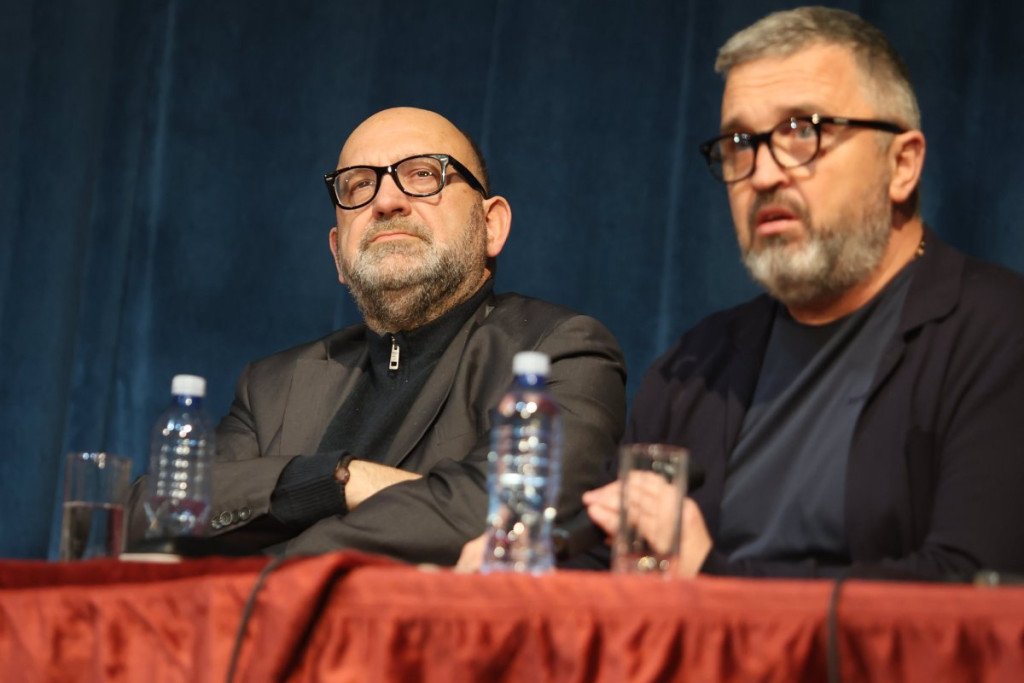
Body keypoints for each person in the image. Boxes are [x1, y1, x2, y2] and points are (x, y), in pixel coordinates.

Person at [584, 7, 1024, 580]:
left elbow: (972, 586)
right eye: (740, 142)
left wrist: (714, 578)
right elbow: (606, 557)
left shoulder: (999, 331)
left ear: (902, 165)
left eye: (802, 131)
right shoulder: (695, 367)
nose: (764, 175)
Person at [128, 107, 626, 565]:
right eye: (358, 185)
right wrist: (336, 480)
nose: (386, 201)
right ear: (338, 255)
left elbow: (509, 516)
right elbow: (149, 513)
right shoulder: (272, 387)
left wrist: (279, 563)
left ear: (491, 225)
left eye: (423, 174)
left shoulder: (558, 351)